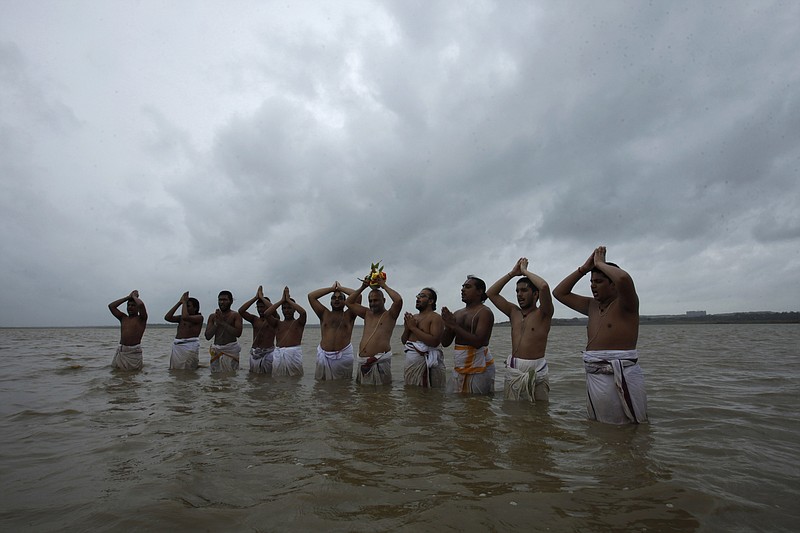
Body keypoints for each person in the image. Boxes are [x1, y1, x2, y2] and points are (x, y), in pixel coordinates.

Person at [553, 246, 647, 424]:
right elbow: (559, 293)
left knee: (631, 427)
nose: (593, 286)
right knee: (600, 427)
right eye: (591, 282)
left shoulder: (627, 304)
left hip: (622, 374)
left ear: (613, 284)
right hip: (595, 374)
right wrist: (584, 269)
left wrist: (600, 263)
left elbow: (624, 278)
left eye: (599, 281)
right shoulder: (592, 306)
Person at [487, 258, 554, 402]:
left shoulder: (544, 313)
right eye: (517, 291)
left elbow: (543, 286)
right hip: (515, 369)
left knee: (539, 415)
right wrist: (512, 273)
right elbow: (491, 293)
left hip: (537, 370)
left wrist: (524, 271)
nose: (519, 294)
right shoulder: (513, 312)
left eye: (524, 290)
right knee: (513, 416)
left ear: (535, 295)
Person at [441, 276, 495, 394]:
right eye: (463, 287)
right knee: (453, 404)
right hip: (459, 367)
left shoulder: (485, 312)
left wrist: (454, 326)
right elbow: (445, 343)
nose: (463, 290)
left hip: (479, 368)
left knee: (477, 406)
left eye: (468, 287)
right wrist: (447, 325)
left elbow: (479, 342)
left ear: (479, 292)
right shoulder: (458, 313)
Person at [346, 275, 403, 385]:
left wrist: (384, 285)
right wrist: (363, 286)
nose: (372, 303)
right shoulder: (367, 313)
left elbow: (398, 300)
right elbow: (349, 302)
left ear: (384, 300)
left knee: (382, 397)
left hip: (380, 362)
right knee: (363, 397)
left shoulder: (390, 315)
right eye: (370, 300)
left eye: (376, 300)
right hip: (363, 362)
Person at [308, 282, 360, 380]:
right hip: (324, 357)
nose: (336, 300)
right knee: (321, 388)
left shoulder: (350, 315)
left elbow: (359, 296)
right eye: (334, 298)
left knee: (343, 388)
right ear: (330, 302)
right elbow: (311, 296)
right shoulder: (324, 313)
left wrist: (340, 288)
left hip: (343, 357)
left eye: (340, 298)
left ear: (345, 302)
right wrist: (331, 289)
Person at [401, 287, 446, 388]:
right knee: (412, 397)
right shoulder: (414, 317)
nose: (418, 298)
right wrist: (407, 327)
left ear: (430, 301)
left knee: (429, 398)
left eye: (422, 296)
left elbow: (434, 341)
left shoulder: (435, 317)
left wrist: (413, 327)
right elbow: (404, 341)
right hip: (411, 365)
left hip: (427, 366)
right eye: (418, 296)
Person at [264, 286, 307, 377]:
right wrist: (282, 300)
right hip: (279, 354)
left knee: (295, 380)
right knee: (278, 381)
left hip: (293, 353)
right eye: (284, 308)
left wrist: (288, 300)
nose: (286, 311)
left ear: (294, 309)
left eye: (289, 308)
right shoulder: (277, 323)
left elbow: (303, 312)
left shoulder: (299, 322)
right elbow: (267, 314)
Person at [238, 286, 278, 375]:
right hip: (255, 353)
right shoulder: (254, 319)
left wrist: (262, 298)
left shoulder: (274, 320)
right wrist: (256, 297)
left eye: (262, 307)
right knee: (253, 377)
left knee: (267, 378)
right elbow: (241, 311)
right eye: (258, 307)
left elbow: (274, 311)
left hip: (268, 353)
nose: (260, 309)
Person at [108, 290, 148, 370]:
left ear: (137, 308)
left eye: (133, 305)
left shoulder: (141, 318)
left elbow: (141, 304)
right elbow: (111, 306)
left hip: (133, 352)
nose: (130, 307)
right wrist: (127, 297)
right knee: (117, 374)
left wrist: (134, 297)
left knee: (133, 375)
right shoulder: (123, 318)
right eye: (128, 305)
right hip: (121, 350)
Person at [205, 290, 243, 373]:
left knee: (230, 377)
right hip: (216, 350)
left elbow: (238, 333)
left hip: (231, 349)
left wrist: (222, 323)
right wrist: (216, 324)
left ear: (231, 301)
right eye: (220, 300)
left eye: (225, 300)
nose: (222, 302)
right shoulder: (212, 317)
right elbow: (207, 336)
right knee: (215, 377)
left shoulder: (235, 315)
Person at [164, 291, 203, 370]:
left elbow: (186, 317)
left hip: (190, 346)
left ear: (195, 308)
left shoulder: (199, 317)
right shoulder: (181, 318)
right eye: (186, 306)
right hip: (177, 346)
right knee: (175, 370)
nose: (185, 307)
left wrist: (184, 302)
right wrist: (180, 302)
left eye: (188, 306)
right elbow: (167, 317)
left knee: (188, 371)